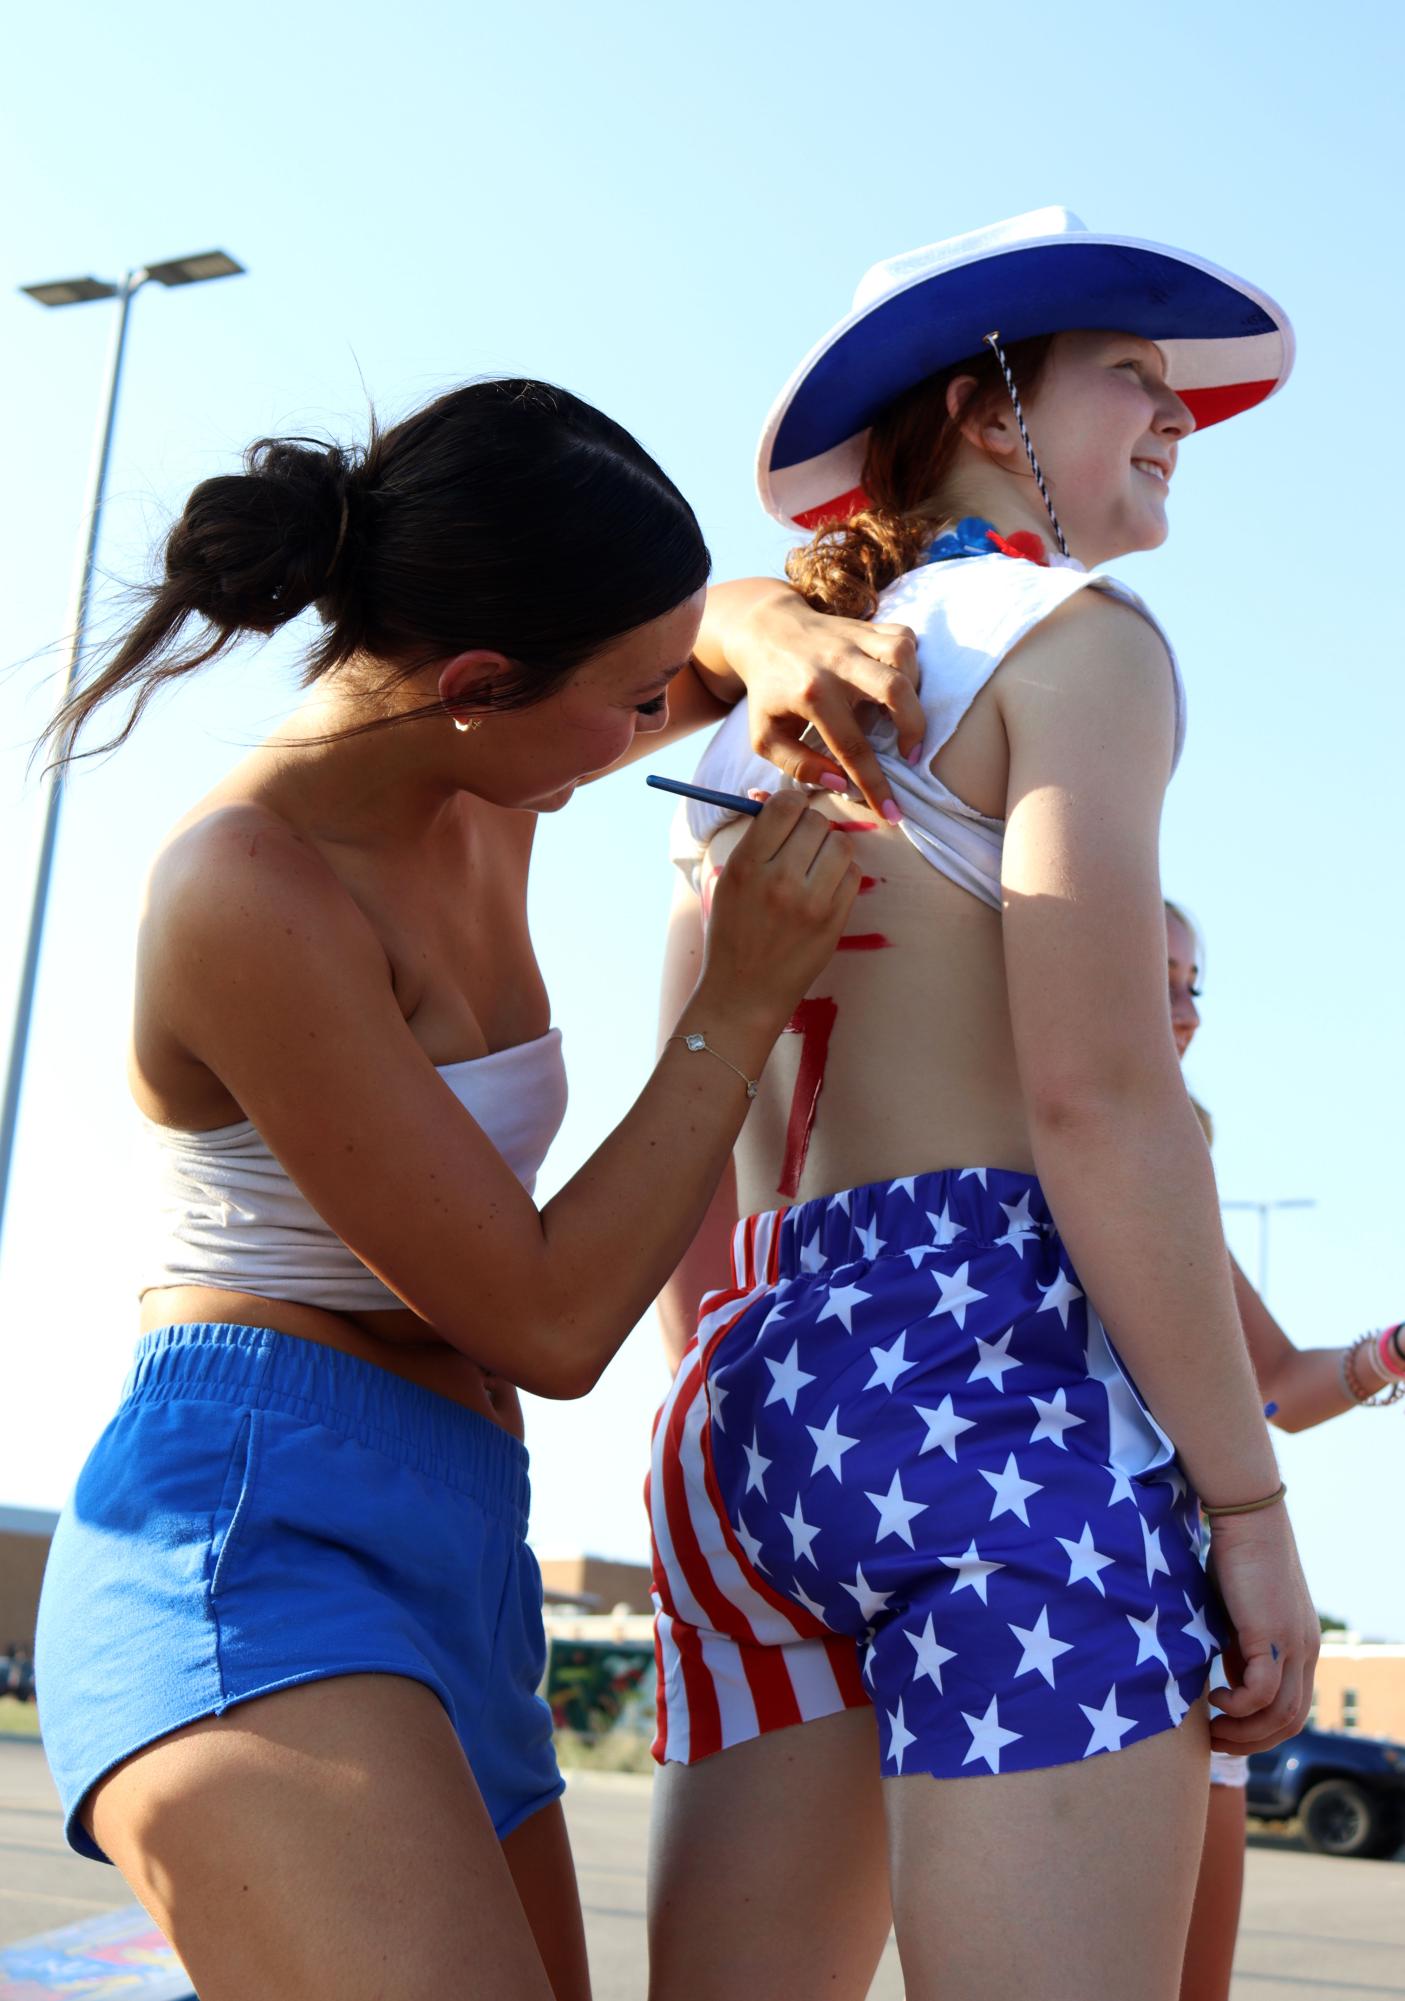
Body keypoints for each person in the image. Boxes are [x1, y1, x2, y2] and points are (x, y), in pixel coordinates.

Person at [32, 376, 926, 2001]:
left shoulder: (487, 763)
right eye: (638, 697)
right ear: (475, 680)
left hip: (463, 1542)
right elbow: (546, 1318)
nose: (670, 719)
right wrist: (739, 999)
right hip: (254, 1522)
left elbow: (708, 632)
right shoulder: (249, 886)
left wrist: (764, 632)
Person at [645, 209, 1319, 2001]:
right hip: (1003, 1388)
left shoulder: (739, 727)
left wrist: (740, 1384)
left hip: (751, 1402)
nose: (1174, 418)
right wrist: (1248, 1512)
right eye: (1132, 378)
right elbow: (1103, 1099)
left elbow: (693, 1138)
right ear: (991, 406)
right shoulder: (1081, 644)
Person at [1167, 898, 1404, 2001]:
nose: (1187, 1012)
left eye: (1194, 984)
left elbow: (1275, 1390)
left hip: (1179, 1623)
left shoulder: (1171, 1173)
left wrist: (1394, 1350)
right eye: (1157, 975)